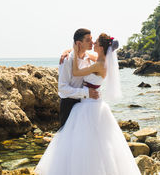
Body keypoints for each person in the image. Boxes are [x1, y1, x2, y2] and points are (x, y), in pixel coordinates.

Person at [35, 33, 141, 175]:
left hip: (89, 105)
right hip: (89, 103)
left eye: (95, 42)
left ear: (102, 47)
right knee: (90, 141)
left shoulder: (99, 63)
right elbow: (82, 55)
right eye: (91, 41)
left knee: (87, 142)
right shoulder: (98, 59)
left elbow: (76, 72)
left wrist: (73, 51)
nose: (93, 44)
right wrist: (68, 51)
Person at [57, 28, 100, 128]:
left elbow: (103, 58)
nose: (92, 43)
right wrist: (86, 93)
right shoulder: (67, 60)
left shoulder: (88, 57)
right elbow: (62, 88)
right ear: (79, 43)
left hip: (84, 103)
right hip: (69, 105)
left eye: (92, 39)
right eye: (88, 40)